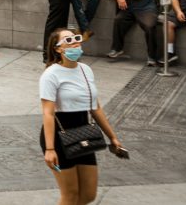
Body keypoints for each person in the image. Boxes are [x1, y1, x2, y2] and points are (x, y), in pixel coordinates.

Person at [40, 29, 124, 205]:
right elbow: (48, 113)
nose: (74, 42)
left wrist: (113, 137)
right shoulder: (51, 74)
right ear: (58, 49)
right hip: (58, 137)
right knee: (70, 195)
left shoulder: (86, 70)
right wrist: (49, 149)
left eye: (76, 38)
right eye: (68, 40)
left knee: (88, 195)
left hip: (84, 133)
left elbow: (95, 108)